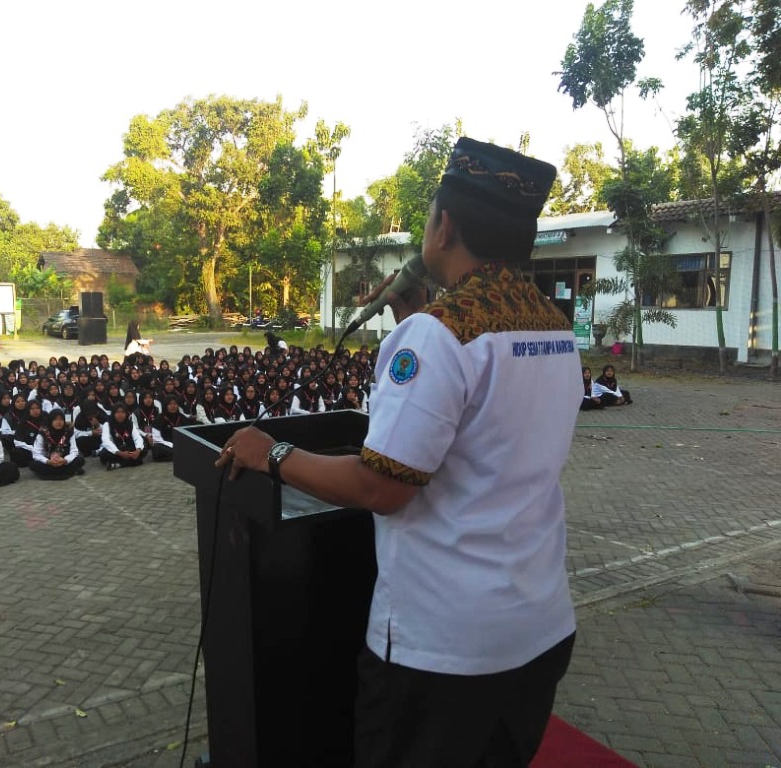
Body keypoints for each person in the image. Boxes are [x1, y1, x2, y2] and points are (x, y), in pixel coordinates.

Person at [217, 138, 579, 766]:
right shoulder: (551, 325)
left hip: (446, 648)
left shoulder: (438, 336)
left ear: (443, 227)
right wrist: (418, 319)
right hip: (536, 627)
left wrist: (269, 452)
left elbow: (381, 488)